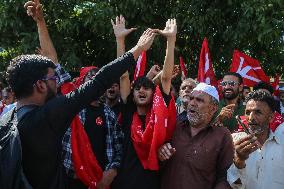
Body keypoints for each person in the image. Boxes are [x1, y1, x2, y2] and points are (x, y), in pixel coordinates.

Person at [2, 6, 157, 188]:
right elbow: (100, 81)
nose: (57, 81)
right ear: (41, 85)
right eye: (53, 78)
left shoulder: (6, 120)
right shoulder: (46, 117)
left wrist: (41, 22)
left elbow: (53, 61)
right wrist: (138, 48)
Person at [111, 18, 177, 189]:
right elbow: (123, 75)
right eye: (137, 88)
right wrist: (120, 40)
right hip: (122, 183)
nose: (141, 91)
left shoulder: (158, 112)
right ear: (131, 94)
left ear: (153, 93)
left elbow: (165, 77)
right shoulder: (127, 111)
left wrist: (171, 39)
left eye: (146, 88)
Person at [159, 83, 234, 189]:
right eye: (191, 98)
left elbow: (226, 176)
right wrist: (160, 152)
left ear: (213, 108)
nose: (192, 103)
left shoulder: (222, 136)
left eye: (199, 100)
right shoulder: (174, 127)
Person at [62, 66, 123, 189]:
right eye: (91, 78)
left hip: (100, 182)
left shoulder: (109, 114)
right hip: (72, 180)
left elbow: (120, 149)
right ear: (82, 83)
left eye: (99, 79)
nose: (96, 83)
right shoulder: (70, 108)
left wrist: (112, 172)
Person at [227, 90, 284, 189]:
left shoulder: (282, 144)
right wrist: (239, 160)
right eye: (248, 112)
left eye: (258, 112)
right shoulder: (234, 141)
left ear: (271, 117)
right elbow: (234, 185)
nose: (251, 118)